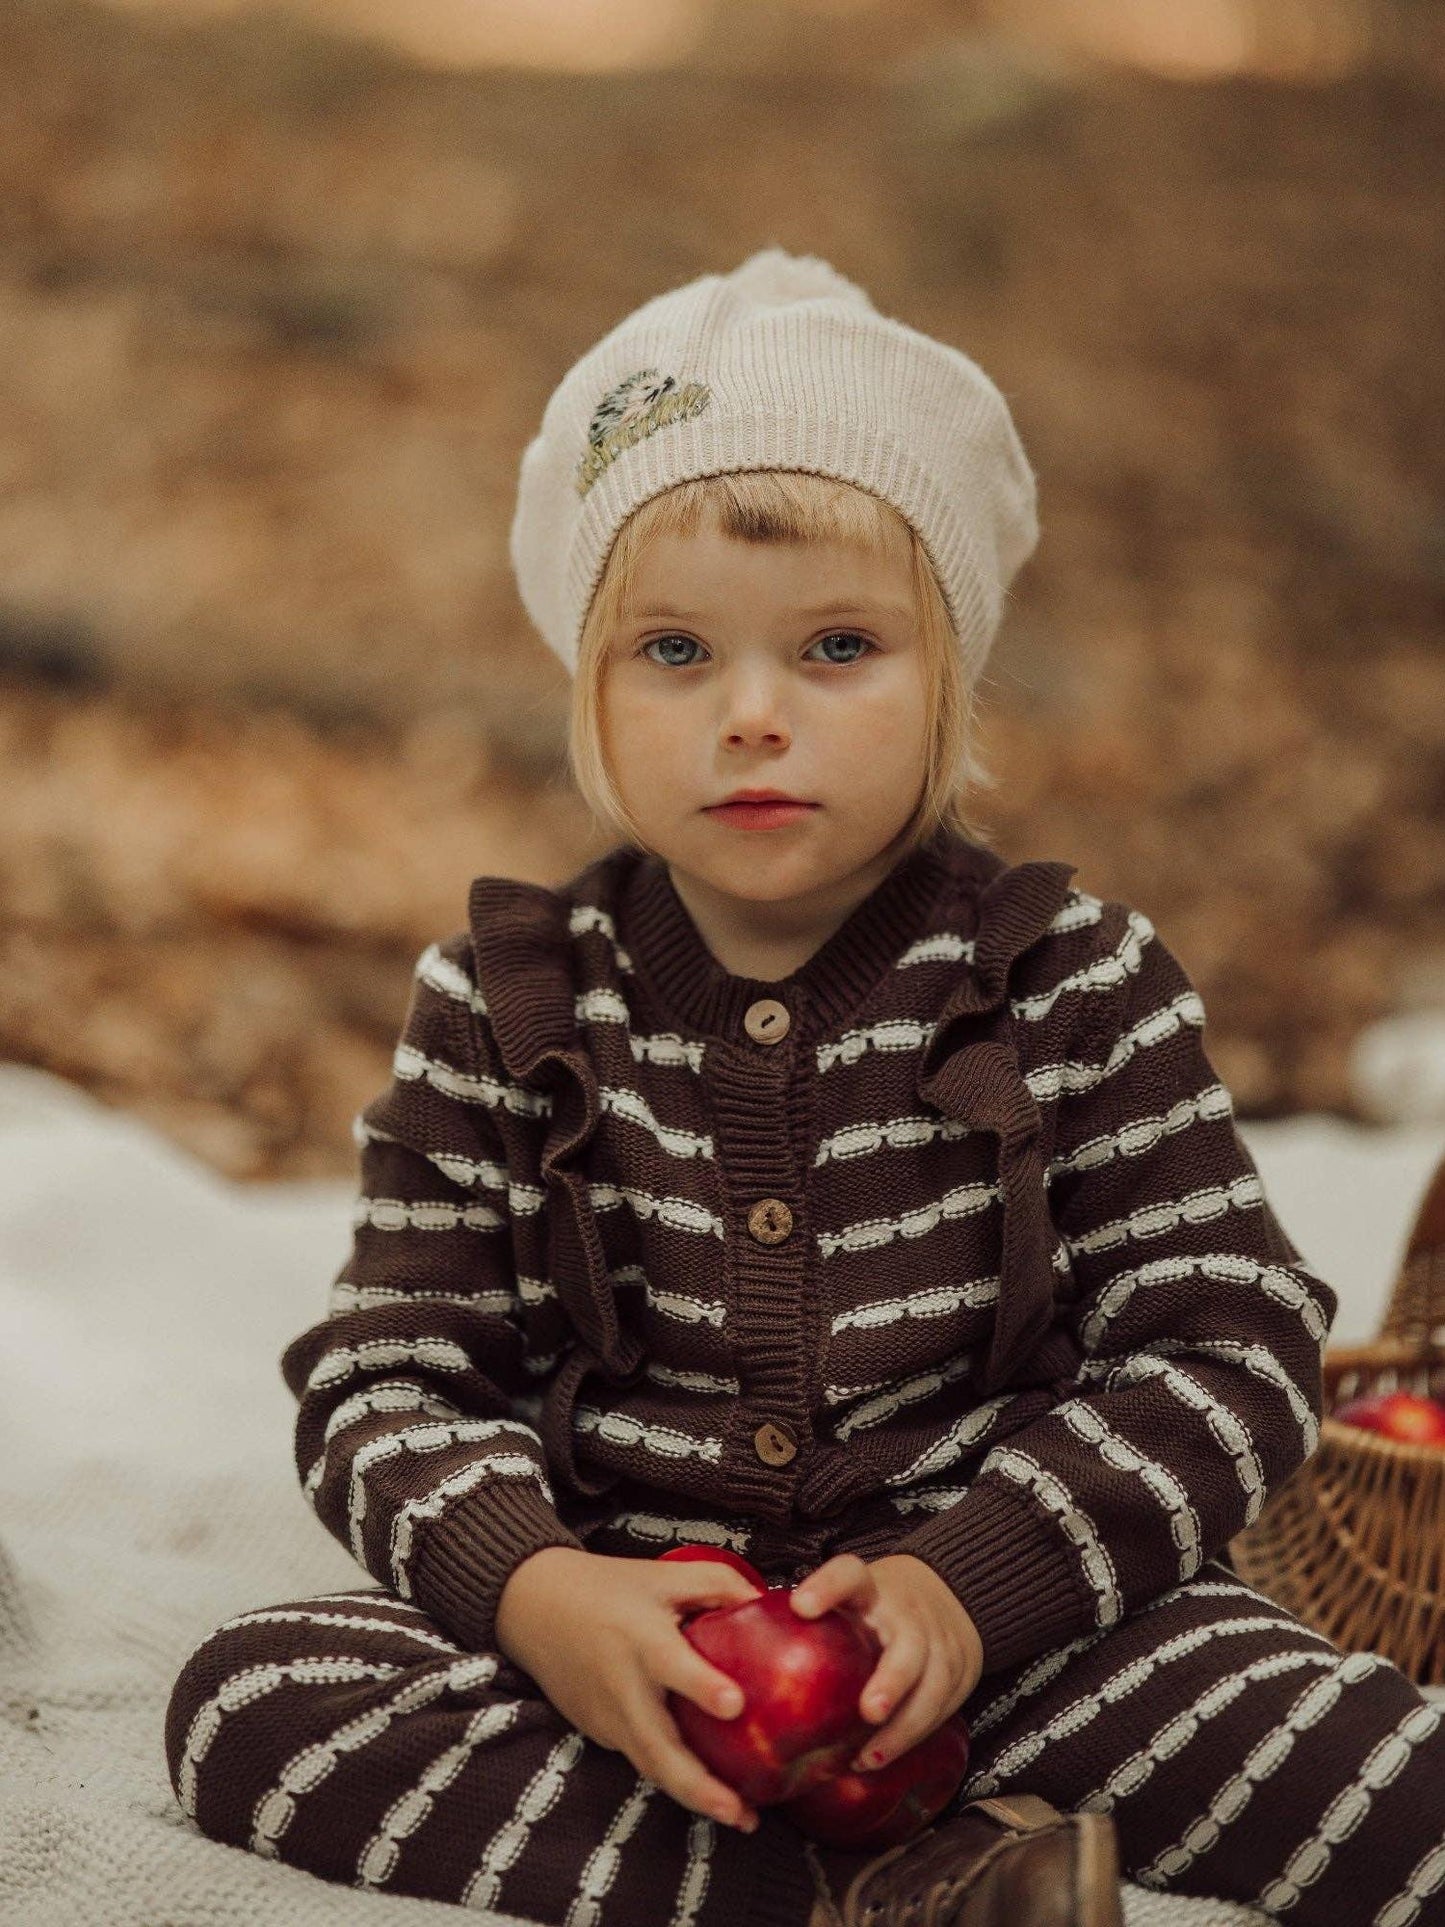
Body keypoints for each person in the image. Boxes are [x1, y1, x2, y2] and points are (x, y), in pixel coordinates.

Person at [164, 250, 1445, 1927]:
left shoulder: (1071, 980)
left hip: (1016, 1633)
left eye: (836, 647)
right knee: (257, 1706)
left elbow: (1226, 1337)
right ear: (590, 693)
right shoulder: (501, 1002)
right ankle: (880, 1894)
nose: (752, 714)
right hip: (646, 1661)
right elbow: (388, 1374)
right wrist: (541, 1595)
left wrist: (978, 1583)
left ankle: (902, 1838)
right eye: (675, 651)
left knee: (1386, 1776)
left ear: (949, 683)